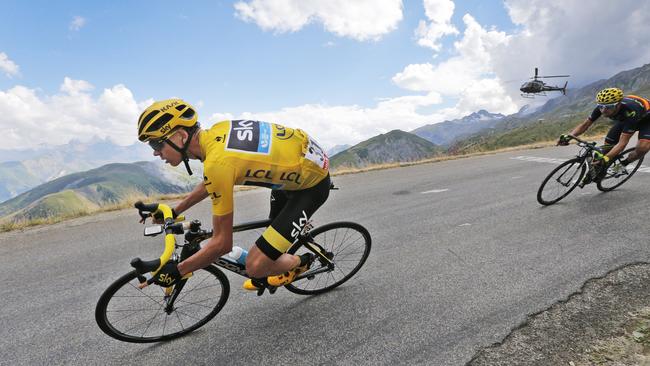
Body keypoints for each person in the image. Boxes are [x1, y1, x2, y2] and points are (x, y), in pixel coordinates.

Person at [137, 98, 331, 291]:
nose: (155, 153)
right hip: (298, 168)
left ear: (181, 135)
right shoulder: (215, 133)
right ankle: (275, 259)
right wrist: (174, 210)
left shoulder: (218, 163)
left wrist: (179, 270)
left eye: (156, 145)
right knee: (274, 224)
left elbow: (222, 243)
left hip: (310, 187)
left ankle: (303, 261)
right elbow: (211, 181)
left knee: (255, 266)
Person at [558, 87, 650, 181]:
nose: (603, 110)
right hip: (625, 119)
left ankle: (622, 165)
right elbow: (585, 125)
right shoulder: (603, 107)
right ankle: (600, 171)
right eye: (600, 106)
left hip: (646, 120)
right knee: (607, 148)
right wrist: (570, 136)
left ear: (618, 105)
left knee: (642, 148)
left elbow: (622, 143)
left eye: (608, 107)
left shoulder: (631, 111)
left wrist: (606, 158)